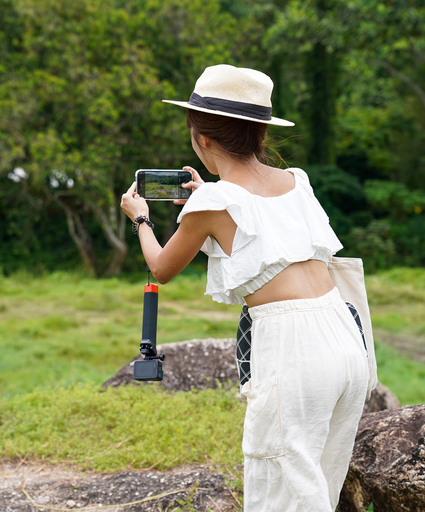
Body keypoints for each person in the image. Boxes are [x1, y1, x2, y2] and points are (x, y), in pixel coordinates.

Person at [120, 64, 370, 512]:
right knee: (319, 485)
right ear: (260, 134)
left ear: (204, 139)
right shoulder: (298, 181)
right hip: (347, 341)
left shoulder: (214, 201)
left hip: (294, 349)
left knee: (279, 488)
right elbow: (259, 225)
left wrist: (140, 217)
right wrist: (206, 195)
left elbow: (161, 267)